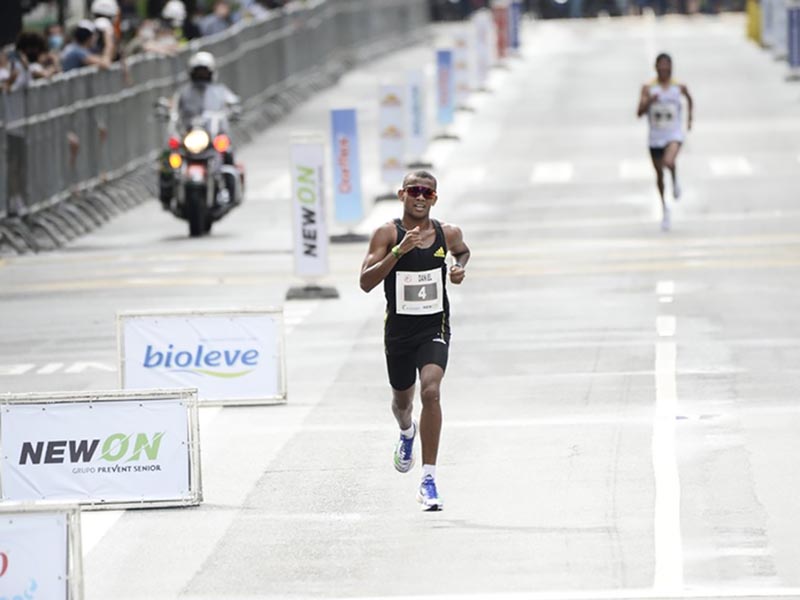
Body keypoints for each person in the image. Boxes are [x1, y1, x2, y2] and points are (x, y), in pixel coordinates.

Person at [359, 171, 470, 511]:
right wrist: (397, 252)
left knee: (431, 391)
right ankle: (407, 432)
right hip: (399, 333)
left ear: (435, 198)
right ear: (402, 194)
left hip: (433, 327)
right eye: (414, 191)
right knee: (403, 402)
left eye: (428, 192)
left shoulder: (446, 233)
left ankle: (429, 479)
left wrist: (457, 267)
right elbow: (365, 282)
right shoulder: (387, 233)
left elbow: (462, 252)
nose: (421, 197)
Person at [637, 52, 693, 231]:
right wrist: (649, 102)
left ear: (671, 67)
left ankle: (675, 179)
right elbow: (639, 112)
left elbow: (690, 99)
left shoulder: (679, 87)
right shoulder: (648, 88)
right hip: (655, 138)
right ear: (655, 67)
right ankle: (664, 208)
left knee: (669, 161)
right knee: (659, 176)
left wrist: (689, 120)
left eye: (666, 65)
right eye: (660, 65)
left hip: (673, 134)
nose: (663, 68)